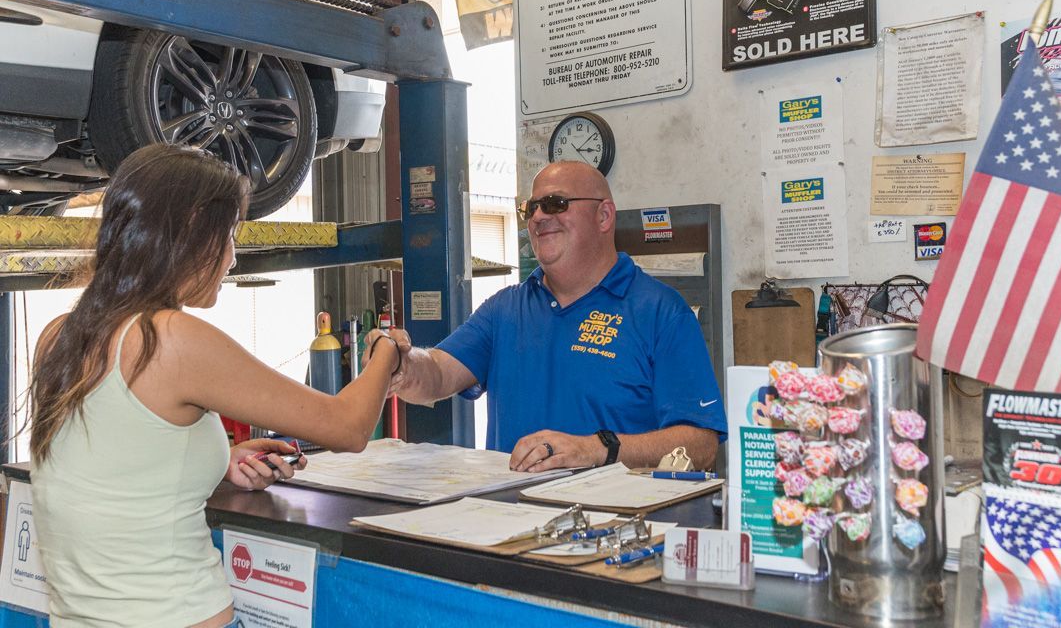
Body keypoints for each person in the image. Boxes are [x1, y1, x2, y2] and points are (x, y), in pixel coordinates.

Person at [28, 144, 403, 628]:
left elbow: (110, 469)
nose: (232, 259)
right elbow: (348, 427)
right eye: (228, 237)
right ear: (191, 232)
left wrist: (219, 460)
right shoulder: (167, 338)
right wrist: (387, 348)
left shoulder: (59, 336)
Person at [384, 161, 727, 472]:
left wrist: (599, 449)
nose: (537, 217)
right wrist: (403, 365)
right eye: (530, 208)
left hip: (616, 529)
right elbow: (439, 373)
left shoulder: (661, 312)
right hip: (514, 526)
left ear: (604, 216)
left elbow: (701, 444)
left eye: (555, 204)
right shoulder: (505, 309)